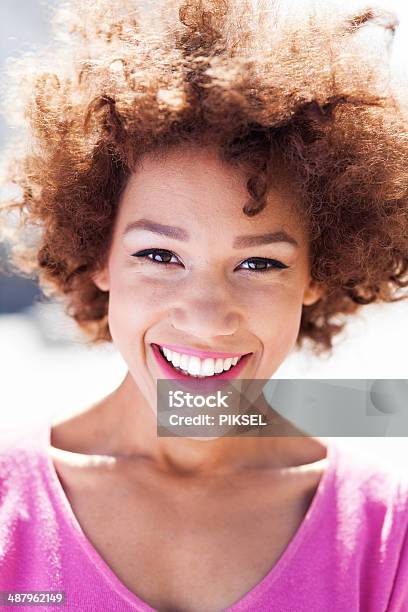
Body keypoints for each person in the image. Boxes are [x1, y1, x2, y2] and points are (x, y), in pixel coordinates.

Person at [0, 1, 408, 610]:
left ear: (316, 277)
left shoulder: (385, 536)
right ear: (100, 256)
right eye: (161, 256)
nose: (207, 316)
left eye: (259, 263)